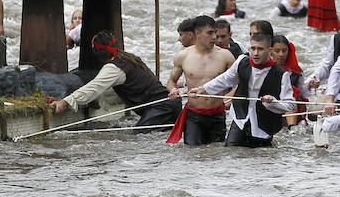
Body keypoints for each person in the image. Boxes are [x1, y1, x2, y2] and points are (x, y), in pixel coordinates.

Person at [52, 30, 182, 127]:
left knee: (137, 139)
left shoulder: (114, 68)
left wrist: (65, 102)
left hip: (161, 108)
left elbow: (93, 88)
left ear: (96, 53)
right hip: (171, 104)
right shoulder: (128, 58)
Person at [190, 32, 295, 148]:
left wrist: (273, 102)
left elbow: (290, 105)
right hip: (240, 119)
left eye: (260, 49)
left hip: (264, 127)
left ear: (269, 50)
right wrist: (203, 89)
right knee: (231, 154)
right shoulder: (242, 61)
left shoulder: (282, 74)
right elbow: (226, 79)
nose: (255, 53)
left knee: (261, 162)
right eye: (253, 48)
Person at [164, 16, 236, 145]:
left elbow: (240, 81)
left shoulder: (225, 55)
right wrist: (173, 90)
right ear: (197, 33)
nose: (214, 37)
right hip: (194, 116)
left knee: (217, 155)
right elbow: (171, 82)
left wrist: (229, 96)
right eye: (210, 33)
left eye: (215, 32)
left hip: (217, 114)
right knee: (193, 155)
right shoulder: (183, 56)